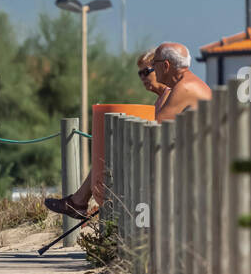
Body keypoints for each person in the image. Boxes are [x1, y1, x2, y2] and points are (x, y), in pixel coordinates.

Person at [44, 46, 183, 219]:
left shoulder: (171, 95)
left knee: (112, 156)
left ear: (162, 68)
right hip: (152, 159)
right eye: (140, 74)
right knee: (109, 156)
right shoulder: (161, 98)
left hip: (162, 164)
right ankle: (81, 201)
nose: (143, 78)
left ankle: (80, 202)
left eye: (146, 71)